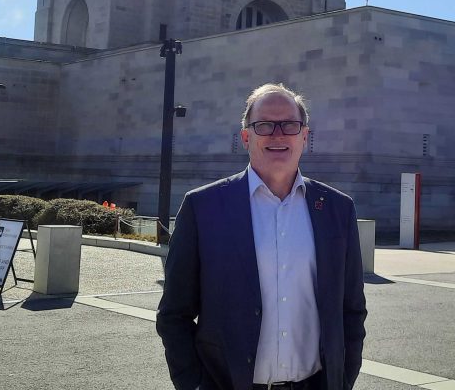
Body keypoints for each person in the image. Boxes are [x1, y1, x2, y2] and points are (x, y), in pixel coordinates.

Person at [157, 83, 367, 390]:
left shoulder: (337, 210)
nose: (278, 134)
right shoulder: (203, 208)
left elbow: (351, 311)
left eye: (290, 125)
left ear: (304, 136)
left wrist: (343, 379)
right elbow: (174, 315)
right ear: (246, 137)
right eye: (264, 125)